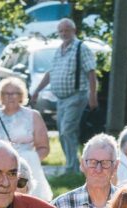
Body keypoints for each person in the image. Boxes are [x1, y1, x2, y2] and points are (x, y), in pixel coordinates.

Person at [31, 18, 99, 174]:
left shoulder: (81, 48)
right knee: (63, 132)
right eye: (61, 31)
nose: (63, 33)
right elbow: (50, 73)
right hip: (60, 99)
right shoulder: (59, 50)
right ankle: (72, 164)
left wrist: (92, 96)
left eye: (66, 30)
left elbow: (91, 72)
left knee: (67, 131)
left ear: (73, 31)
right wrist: (37, 91)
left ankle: (72, 169)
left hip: (76, 96)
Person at [0, 76, 53, 202]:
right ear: (0, 96)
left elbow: (44, 148)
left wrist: (28, 161)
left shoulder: (33, 115)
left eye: (14, 93)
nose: (10, 96)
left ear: (21, 95)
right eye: (6, 93)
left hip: (26, 168)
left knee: (27, 202)